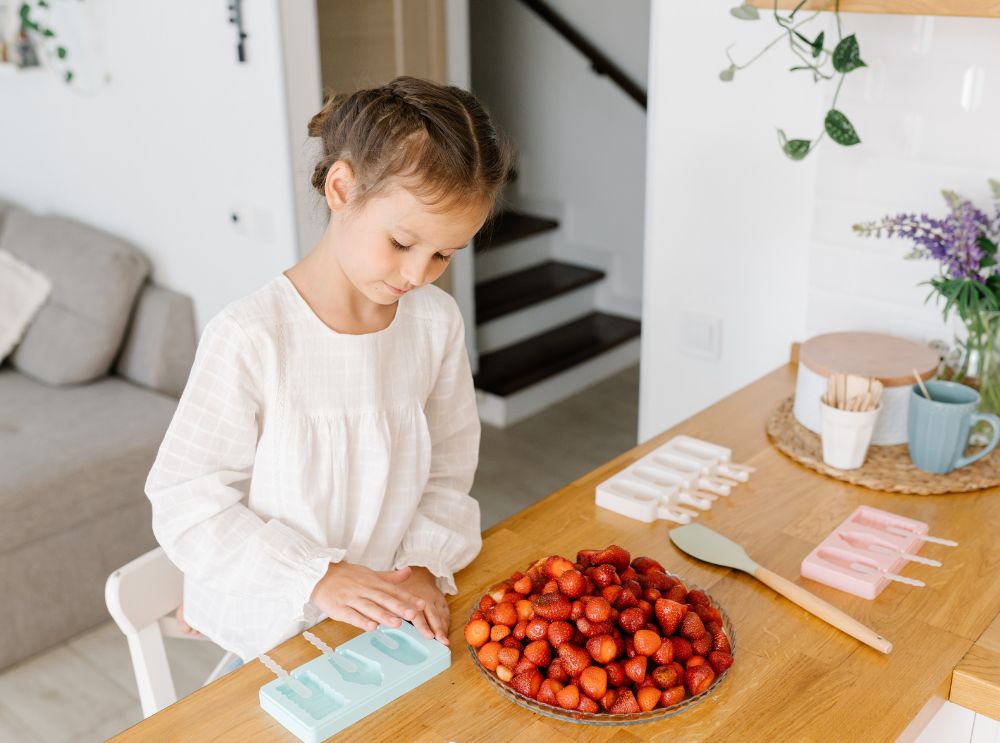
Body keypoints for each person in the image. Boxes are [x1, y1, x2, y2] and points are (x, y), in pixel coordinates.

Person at [145, 76, 512, 663]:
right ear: (342, 188)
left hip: (387, 618)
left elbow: (448, 467)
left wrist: (421, 564)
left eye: (443, 254)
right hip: (275, 628)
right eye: (401, 242)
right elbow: (185, 501)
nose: (418, 274)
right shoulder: (252, 336)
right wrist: (316, 575)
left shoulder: (434, 322)